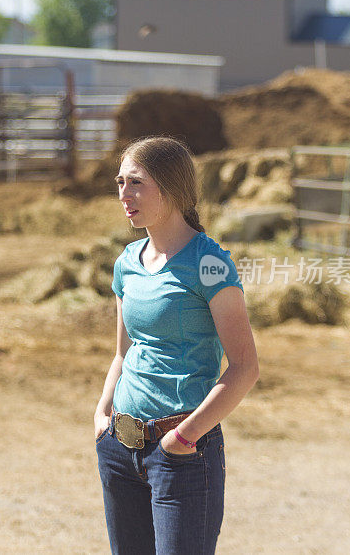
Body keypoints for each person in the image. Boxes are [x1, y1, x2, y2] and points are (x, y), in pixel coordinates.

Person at [94, 137, 259, 555]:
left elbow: (244, 367)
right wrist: (101, 413)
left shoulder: (209, 263)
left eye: (136, 183)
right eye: (120, 182)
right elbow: (123, 353)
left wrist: (185, 437)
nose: (123, 195)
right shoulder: (127, 262)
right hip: (119, 447)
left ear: (170, 188)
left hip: (182, 455)